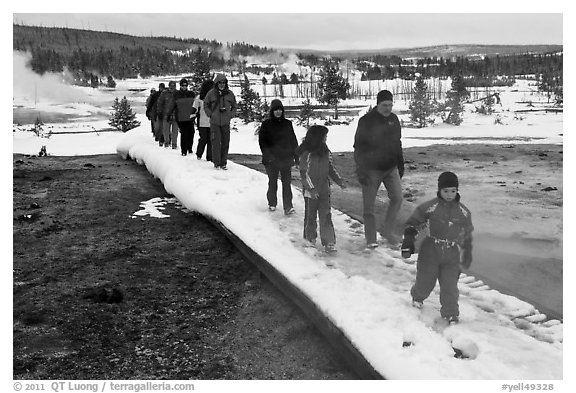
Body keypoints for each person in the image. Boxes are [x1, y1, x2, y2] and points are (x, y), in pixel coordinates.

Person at [400, 171, 474, 325]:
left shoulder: (464, 212)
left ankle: (451, 312)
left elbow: (467, 232)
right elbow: (414, 223)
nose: (449, 194)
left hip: (452, 252)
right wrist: (408, 241)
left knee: (450, 285)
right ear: (439, 190)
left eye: (453, 191)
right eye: (445, 191)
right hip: (431, 250)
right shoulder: (430, 207)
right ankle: (418, 296)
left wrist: (467, 251)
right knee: (426, 280)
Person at [353, 89, 405, 249]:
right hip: (371, 169)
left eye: (390, 104)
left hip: (390, 167)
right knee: (369, 206)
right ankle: (371, 239)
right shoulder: (366, 121)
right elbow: (358, 147)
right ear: (378, 104)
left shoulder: (394, 119)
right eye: (384, 105)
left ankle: (388, 231)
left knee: (398, 198)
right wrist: (361, 169)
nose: (388, 108)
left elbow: (398, 143)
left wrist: (400, 163)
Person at [296, 125, 346, 254]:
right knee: (310, 215)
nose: (326, 138)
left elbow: (330, 168)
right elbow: (303, 173)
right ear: (318, 137)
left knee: (326, 214)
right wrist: (311, 189)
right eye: (324, 136)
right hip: (310, 190)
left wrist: (339, 181)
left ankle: (329, 241)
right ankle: (309, 238)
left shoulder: (325, 151)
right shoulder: (306, 152)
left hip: (324, 189)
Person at [258, 99, 299, 215]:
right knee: (272, 182)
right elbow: (262, 142)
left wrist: (296, 156)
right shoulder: (266, 124)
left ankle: (288, 206)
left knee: (286, 183)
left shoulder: (287, 124)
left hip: (286, 158)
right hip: (271, 159)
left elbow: (293, 141)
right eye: (276, 110)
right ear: (272, 111)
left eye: (280, 110)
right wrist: (268, 155)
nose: (278, 112)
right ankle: (272, 203)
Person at [203, 74, 237, 169]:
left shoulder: (230, 94)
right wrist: (210, 114)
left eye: (224, 83)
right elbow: (205, 104)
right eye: (220, 83)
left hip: (225, 122)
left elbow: (234, 105)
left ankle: (223, 162)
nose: (222, 85)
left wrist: (231, 114)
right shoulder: (211, 93)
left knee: (225, 143)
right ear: (216, 83)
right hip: (215, 122)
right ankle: (217, 163)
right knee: (216, 143)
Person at [173, 78, 197, 156]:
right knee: (184, 134)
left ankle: (189, 148)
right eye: (183, 85)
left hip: (190, 117)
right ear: (180, 85)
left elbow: (195, 105)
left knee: (191, 133)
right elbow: (172, 106)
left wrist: (196, 114)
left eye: (186, 85)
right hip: (180, 117)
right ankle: (184, 151)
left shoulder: (191, 94)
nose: (184, 87)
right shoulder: (176, 94)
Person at [193, 79, 214, 161]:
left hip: (212, 122)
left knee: (211, 140)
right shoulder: (199, 98)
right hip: (202, 122)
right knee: (203, 139)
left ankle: (210, 157)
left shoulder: (215, 98)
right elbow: (194, 108)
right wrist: (192, 117)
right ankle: (199, 154)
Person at [156, 80, 179, 149]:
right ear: (168, 86)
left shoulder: (178, 93)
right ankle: (166, 143)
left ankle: (174, 144)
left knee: (175, 131)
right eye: (171, 86)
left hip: (176, 115)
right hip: (166, 115)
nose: (172, 88)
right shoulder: (164, 93)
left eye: (173, 86)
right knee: (166, 130)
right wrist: (159, 112)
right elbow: (159, 103)